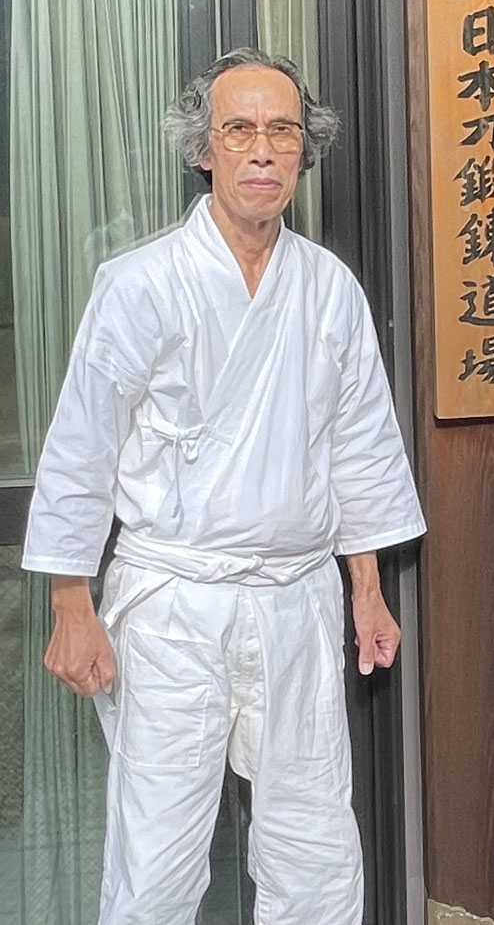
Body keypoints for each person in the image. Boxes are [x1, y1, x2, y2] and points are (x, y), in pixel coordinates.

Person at [21, 47, 426, 924]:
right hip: (174, 597)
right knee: (158, 848)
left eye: (283, 131)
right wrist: (69, 601)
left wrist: (368, 590)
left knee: (313, 840)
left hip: (294, 598)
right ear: (203, 149)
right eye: (239, 129)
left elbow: (357, 446)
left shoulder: (329, 289)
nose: (262, 150)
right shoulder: (138, 283)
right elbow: (82, 445)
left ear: (303, 150)